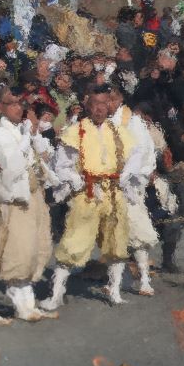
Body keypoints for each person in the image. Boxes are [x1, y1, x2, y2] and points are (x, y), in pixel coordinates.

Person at [41, 87, 137, 310]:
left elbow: (135, 156)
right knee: (74, 241)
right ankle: (56, 294)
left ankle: (114, 291)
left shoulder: (118, 131)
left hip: (113, 193)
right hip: (88, 193)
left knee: (117, 242)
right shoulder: (76, 131)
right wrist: (78, 181)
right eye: (95, 103)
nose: (100, 108)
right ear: (87, 105)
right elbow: (61, 166)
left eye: (104, 103)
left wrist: (126, 177)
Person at [0, 88, 57, 323]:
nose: (18, 108)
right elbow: (9, 169)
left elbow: (39, 159)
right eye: (12, 104)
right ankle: (22, 304)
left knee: (35, 247)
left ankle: (27, 304)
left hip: (33, 197)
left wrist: (32, 137)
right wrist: (23, 141)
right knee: (18, 251)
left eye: (20, 104)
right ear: (1, 106)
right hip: (14, 201)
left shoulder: (23, 130)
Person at [107, 86, 159, 296]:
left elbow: (145, 151)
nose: (106, 104)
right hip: (108, 184)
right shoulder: (100, 122)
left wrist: (137, 176)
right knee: (113, 235)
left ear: (119, 99)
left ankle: (145, 279)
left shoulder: (133, 122)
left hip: (130, 184)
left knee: (137, 233)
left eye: (111, 99)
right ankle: (116, 282)